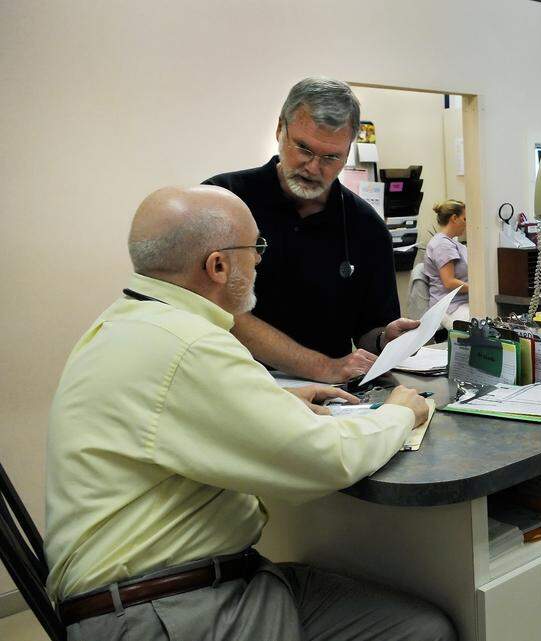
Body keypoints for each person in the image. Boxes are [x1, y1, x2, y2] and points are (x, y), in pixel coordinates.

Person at [44, 185, 455, 640]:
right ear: (217, 265)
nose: (261, 260)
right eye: (255, 248)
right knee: (424, 632)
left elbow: (177, 416)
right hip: (169, 611)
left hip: (152, 594)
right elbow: (322, 459)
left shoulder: (125, 323)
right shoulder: (191, 345)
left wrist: (275, 400)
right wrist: (399, 412)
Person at [205, 77, 417, 384]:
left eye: (331, 157)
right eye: (303, 148)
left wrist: (386, 339)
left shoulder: (366, 228)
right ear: (280, 129)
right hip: (230, 386)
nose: (313, 167)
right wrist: (321, 367)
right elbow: (214, 309)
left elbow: (369, 332)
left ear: (348, 150)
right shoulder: (223, 200)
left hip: (326, 396)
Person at [422, 200, 471, 328]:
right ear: (454, 218)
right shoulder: (442, 245)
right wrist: (478, 289)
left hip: (461, 302)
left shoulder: (453, 243)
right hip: (449, 306)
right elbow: (449, 282)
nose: (467, 224)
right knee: (480, 332)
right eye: (465, 219)